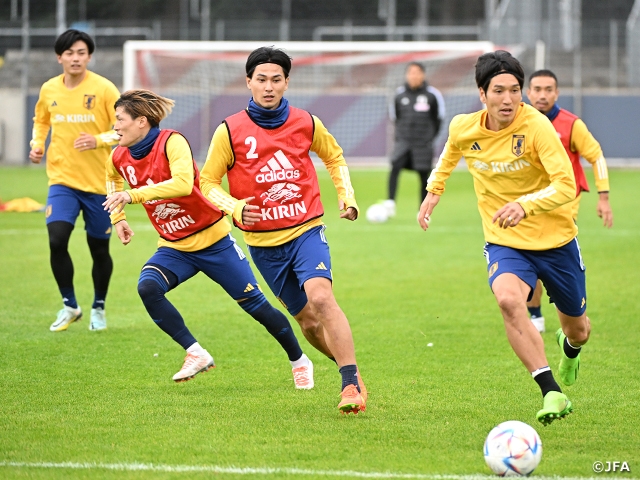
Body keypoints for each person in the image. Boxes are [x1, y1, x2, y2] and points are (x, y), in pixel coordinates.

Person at [418, 50, 591, 426]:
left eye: (515, 90)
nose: (509, 99)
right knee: (510, 301)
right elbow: (449, 155)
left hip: (556, 240)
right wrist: (434, 191)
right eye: (499, 91)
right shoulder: (465, 127)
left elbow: (566, 186)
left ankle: (570, 349)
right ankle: (551, 392)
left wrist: (524, 205)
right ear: (482, 94)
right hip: (505, 240)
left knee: (578, 329)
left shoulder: (538, 127)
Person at [103, 89, 313, 387]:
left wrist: (131, 195)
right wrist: (118, 217)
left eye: (119, 119)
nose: (115, 126)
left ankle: (299, 361)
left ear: (141, 121)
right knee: (148, 287)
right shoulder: (118, 155)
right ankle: (196, 352)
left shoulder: (171, 142)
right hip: (174, 247)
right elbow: (112, 177)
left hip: (214, 242)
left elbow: (182, 183)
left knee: (258, 308)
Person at [199, 46, 367, 414]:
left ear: (287, 82)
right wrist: (236, 207)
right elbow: (207, 182)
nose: (269, 86)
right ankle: (348, 367)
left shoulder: (307, 122)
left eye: (277, 79)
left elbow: (334, 157)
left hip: (306, 229)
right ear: (249, 82)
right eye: (262, 79)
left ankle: (350, 382)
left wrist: (346, 197)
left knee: (321, 298)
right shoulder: (229, 130)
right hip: (262, 245)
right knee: (307, 322)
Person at [29, 29, 120, 332]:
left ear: (89, 56)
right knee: (56, 239)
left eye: (81, 52)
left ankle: (99, 307)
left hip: (98, 185)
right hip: (61, 180)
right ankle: (70, 305)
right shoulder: (49, 89)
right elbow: (41, 120)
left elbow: (125, 130)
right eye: (69, 53)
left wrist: (97, 140)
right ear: (59, 57)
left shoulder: (105, 89)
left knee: (99, 250)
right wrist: (37, 144)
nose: (75, 58)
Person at [525, 69, 613, 333]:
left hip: (563, 208)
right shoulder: (518, 123)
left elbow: (596, 156)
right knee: (528, 257)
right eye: (537, 89)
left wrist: (604, 197)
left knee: (547, 259)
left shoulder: (571, 124)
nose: (542, 95)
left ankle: (566, 312)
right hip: (527, 205)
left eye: (548, 89)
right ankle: (535, 315)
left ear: (557, 92)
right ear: (528, 93)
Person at [383, 62, 445, 217]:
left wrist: (429, 137)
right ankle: (390, 202)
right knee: (395, 166)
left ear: (423, 75)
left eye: (417, 72)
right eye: (411, 72)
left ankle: (423, 211)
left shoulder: (432, 95)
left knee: (425, 175)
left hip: (423, 143)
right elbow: (395, 117)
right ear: (406, 75)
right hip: (404, 142)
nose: (414, 76)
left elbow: (439, 118)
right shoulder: (399, 95)